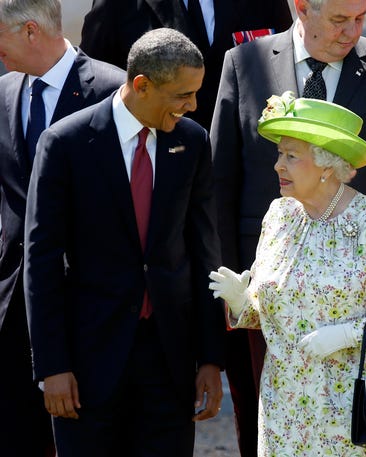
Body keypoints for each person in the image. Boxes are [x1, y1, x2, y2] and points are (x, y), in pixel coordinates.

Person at [210, 1, 366, 452]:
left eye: (360, 18)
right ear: (302, 8)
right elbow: (221, 182)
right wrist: (238, 297)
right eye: (338, 20)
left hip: (354, 341)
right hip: (279, 352)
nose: (351, 32)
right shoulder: (245, 62)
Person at [23, 28, 226, 457]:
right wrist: (52, 366)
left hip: (169, 362)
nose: (192, 105)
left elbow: (205, 252)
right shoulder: (64, 143)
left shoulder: (191, 142)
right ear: (141, 85)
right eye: (182, 95)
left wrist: (210, 358)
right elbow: (41, 261)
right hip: (86, 364)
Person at [0, 0, 125, 455]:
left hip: (87, 310)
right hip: (14, 310)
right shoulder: (3, 93)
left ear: (31, 31)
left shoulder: (113, 91)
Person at [79, 0, 293, 130]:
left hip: (242, 171)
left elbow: (285, 63)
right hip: (160, 166)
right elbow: (94, 82)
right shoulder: (119, 6)